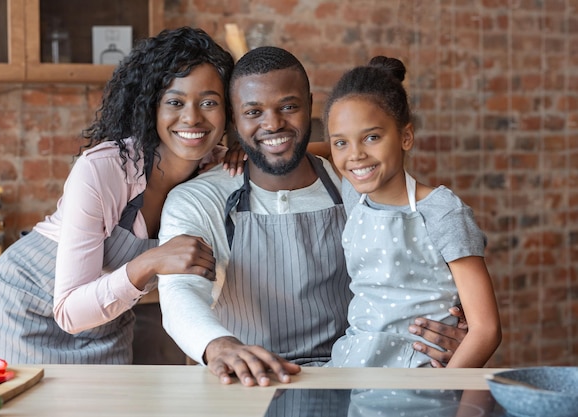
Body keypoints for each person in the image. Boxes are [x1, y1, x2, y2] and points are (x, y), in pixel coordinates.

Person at [157, 46, 469, 387]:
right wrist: (219, 346)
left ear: (310, 106)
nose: (273, 123)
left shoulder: (353, 184)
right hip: (251, 379)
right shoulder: (200, 199)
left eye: (288, 107)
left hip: (352, 374)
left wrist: (449, 324)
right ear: (235, 119)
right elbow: (179, 291)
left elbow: (408, 272)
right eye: (253, 112)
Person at [0, 27, 235, 365]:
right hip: (27, 305)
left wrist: (248, 149)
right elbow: (68, 310)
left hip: (107, 317)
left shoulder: (217, 167)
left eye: (209, 102)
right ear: (151, 107)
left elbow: (307, 157)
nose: (192, 117)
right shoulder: (106, 168)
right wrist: (149, 263)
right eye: (175, 101)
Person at [323, 56, 502, 368]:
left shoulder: (442, 211)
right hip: (350, 367)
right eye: (341, 143)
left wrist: (445, 391)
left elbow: (486, 330)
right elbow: (328, 151)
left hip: (419, 376)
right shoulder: (355, 194)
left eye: (372, 137)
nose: (356, 155)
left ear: (406, 137)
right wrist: (250, 151)